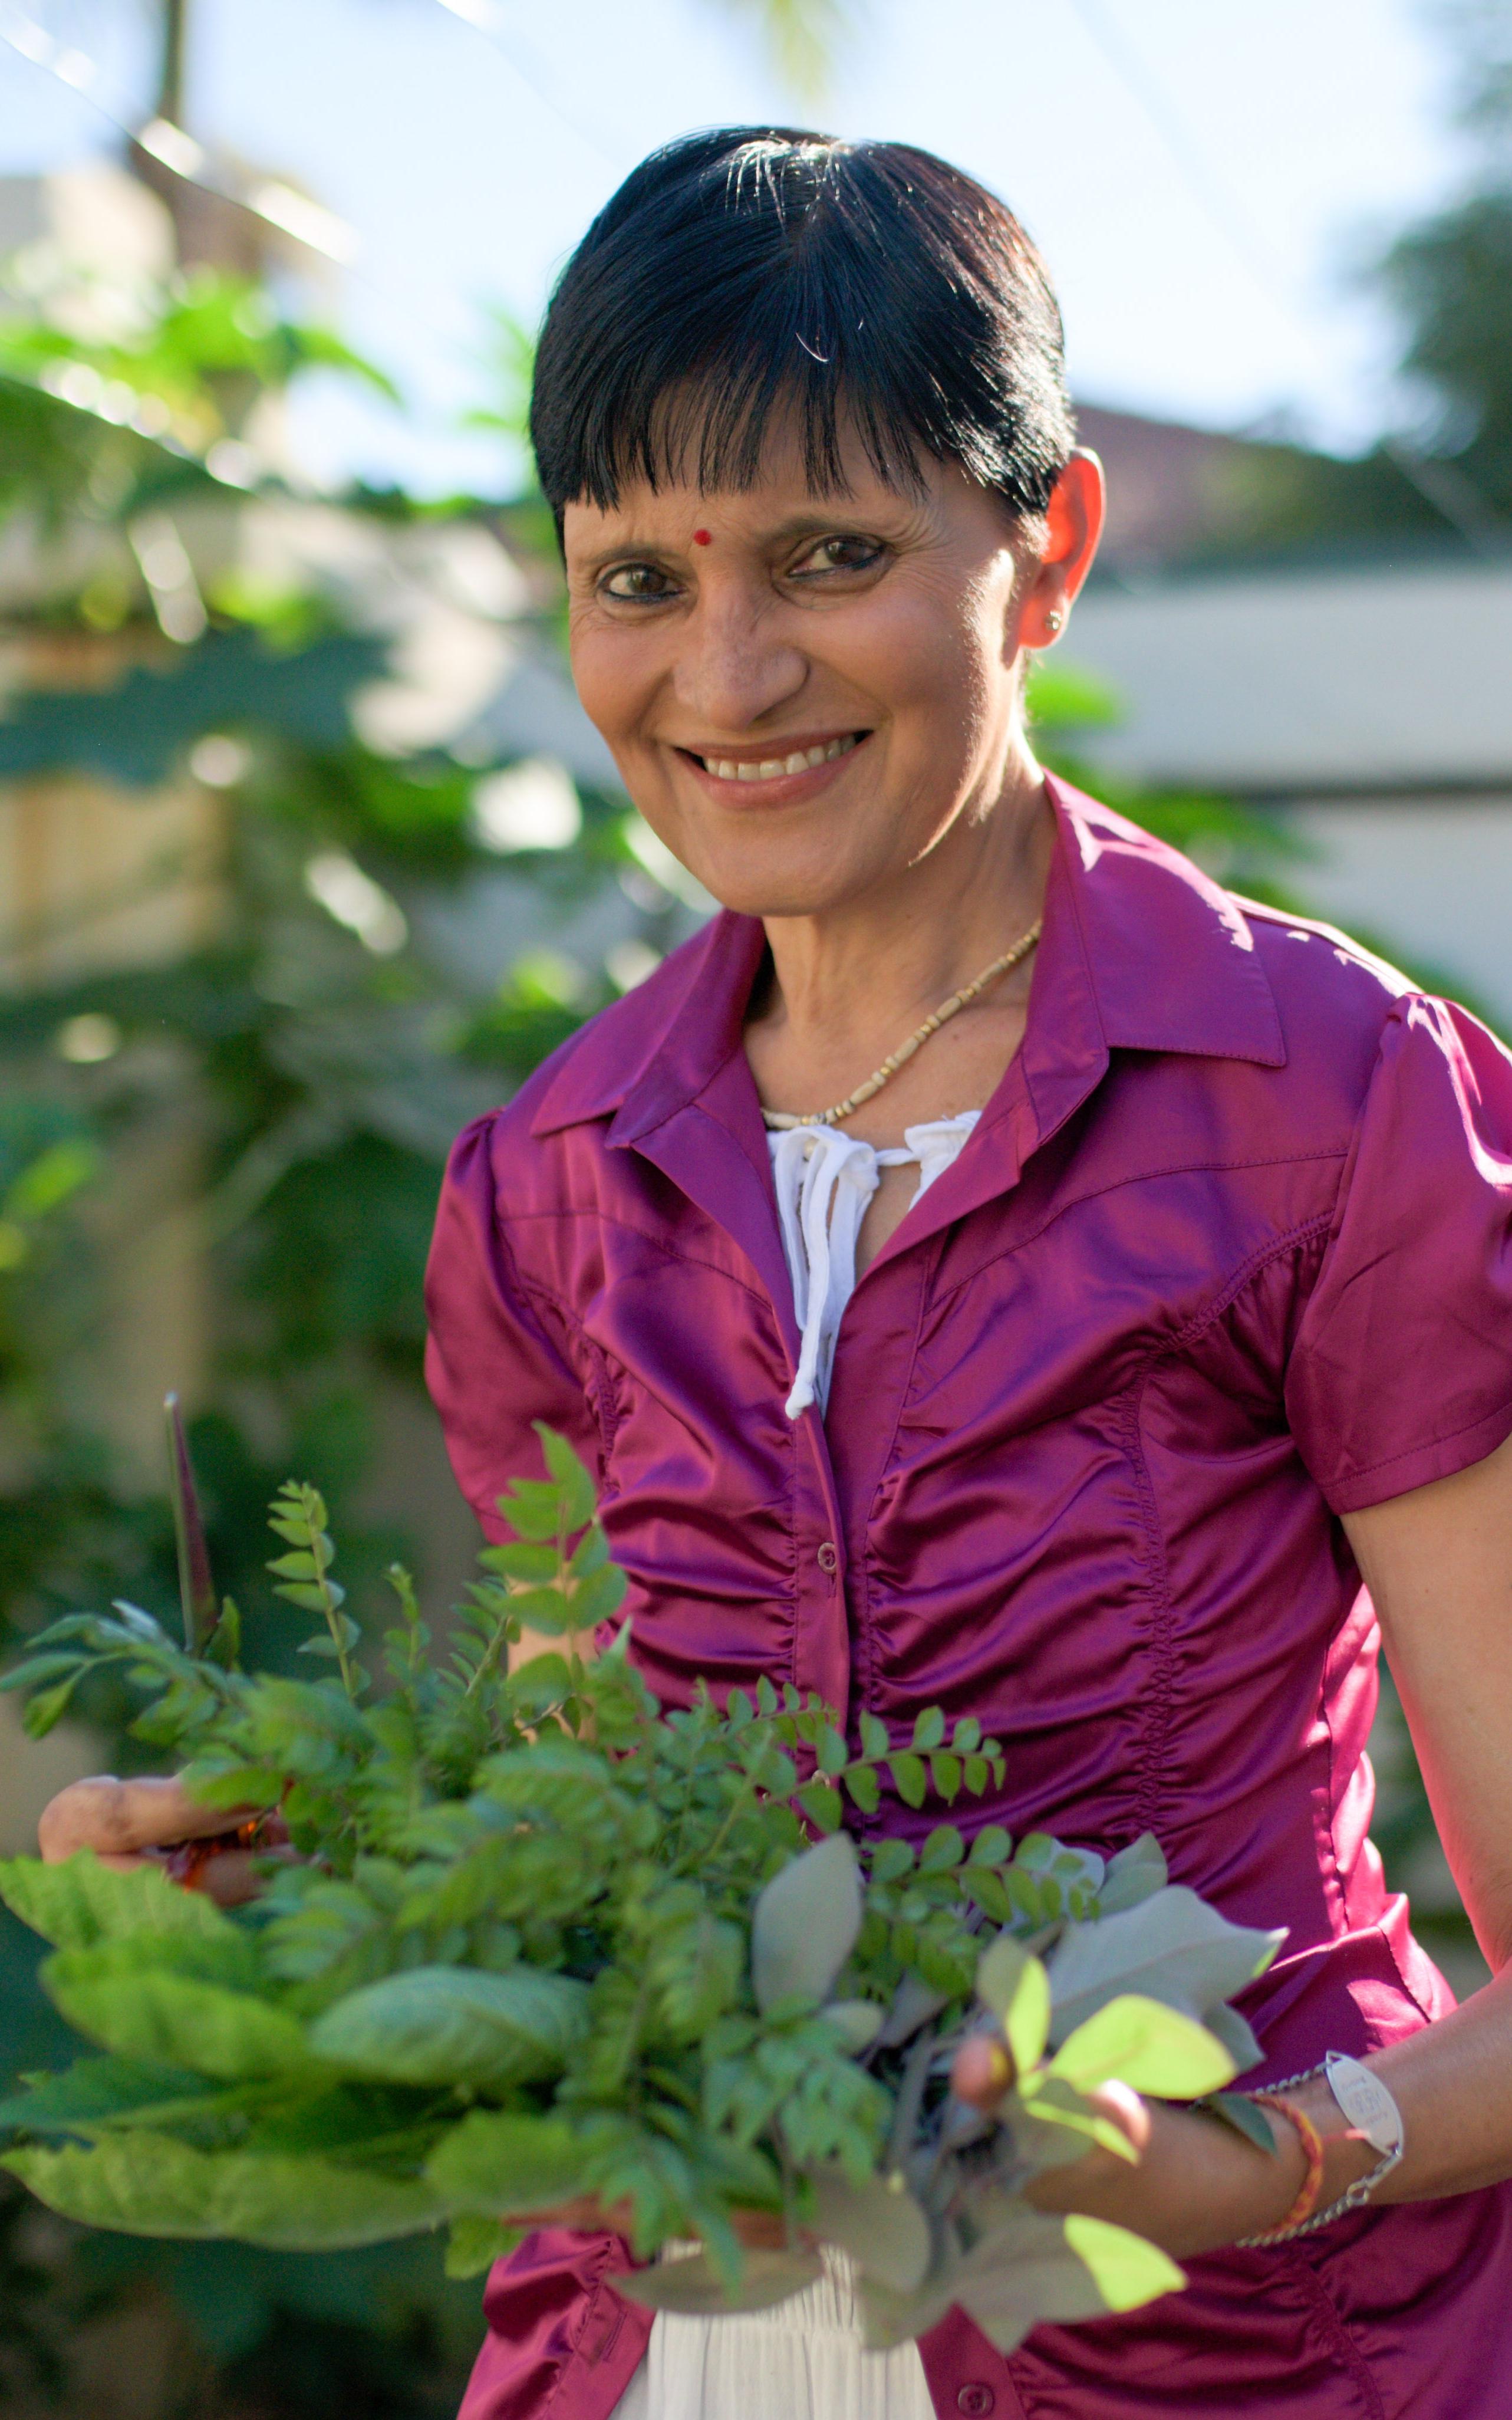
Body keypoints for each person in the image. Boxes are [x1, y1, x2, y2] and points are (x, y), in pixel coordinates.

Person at [39, 128, 1512, 2420]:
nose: (725, 674)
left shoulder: (1334, 1106)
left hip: (1214, 2348)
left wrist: (1268, 2158)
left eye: (831, 556)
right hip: (682, 2339)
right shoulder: (543, 1188)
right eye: (638, 575)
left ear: (1048, 554)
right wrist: (320, 1879)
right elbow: (609, 1837)